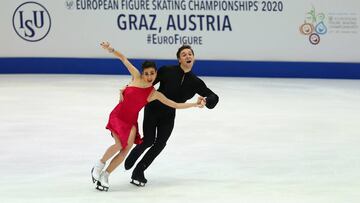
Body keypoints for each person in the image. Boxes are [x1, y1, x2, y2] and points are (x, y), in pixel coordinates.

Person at [91, 42, 205, 191]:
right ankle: (99, 165)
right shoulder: (136, 78)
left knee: (125, 150)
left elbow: (175, 104)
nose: (150, 76)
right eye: (147, 73)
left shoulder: (153, 94)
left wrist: (194, 104)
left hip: (131, 122)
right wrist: (111, 50)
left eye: (152, 73)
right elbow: (124, 59)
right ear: (142, 73)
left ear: (156, 74)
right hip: (118, 117)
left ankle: (106, 175)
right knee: (119, 144)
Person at [124, 45, 219, 186]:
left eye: (190, 54)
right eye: (184, 54)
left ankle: (139, 170)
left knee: (160, 143)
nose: (187, 56)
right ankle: (134, 154)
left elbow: (214, 96)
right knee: (149, 140)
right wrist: (129, 88)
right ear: (179, 59)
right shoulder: (166, 70)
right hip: (153, 108)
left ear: (194, 57)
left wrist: (206, 100)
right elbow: (145, 83)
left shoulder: (195, 82)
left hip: (169, 114)